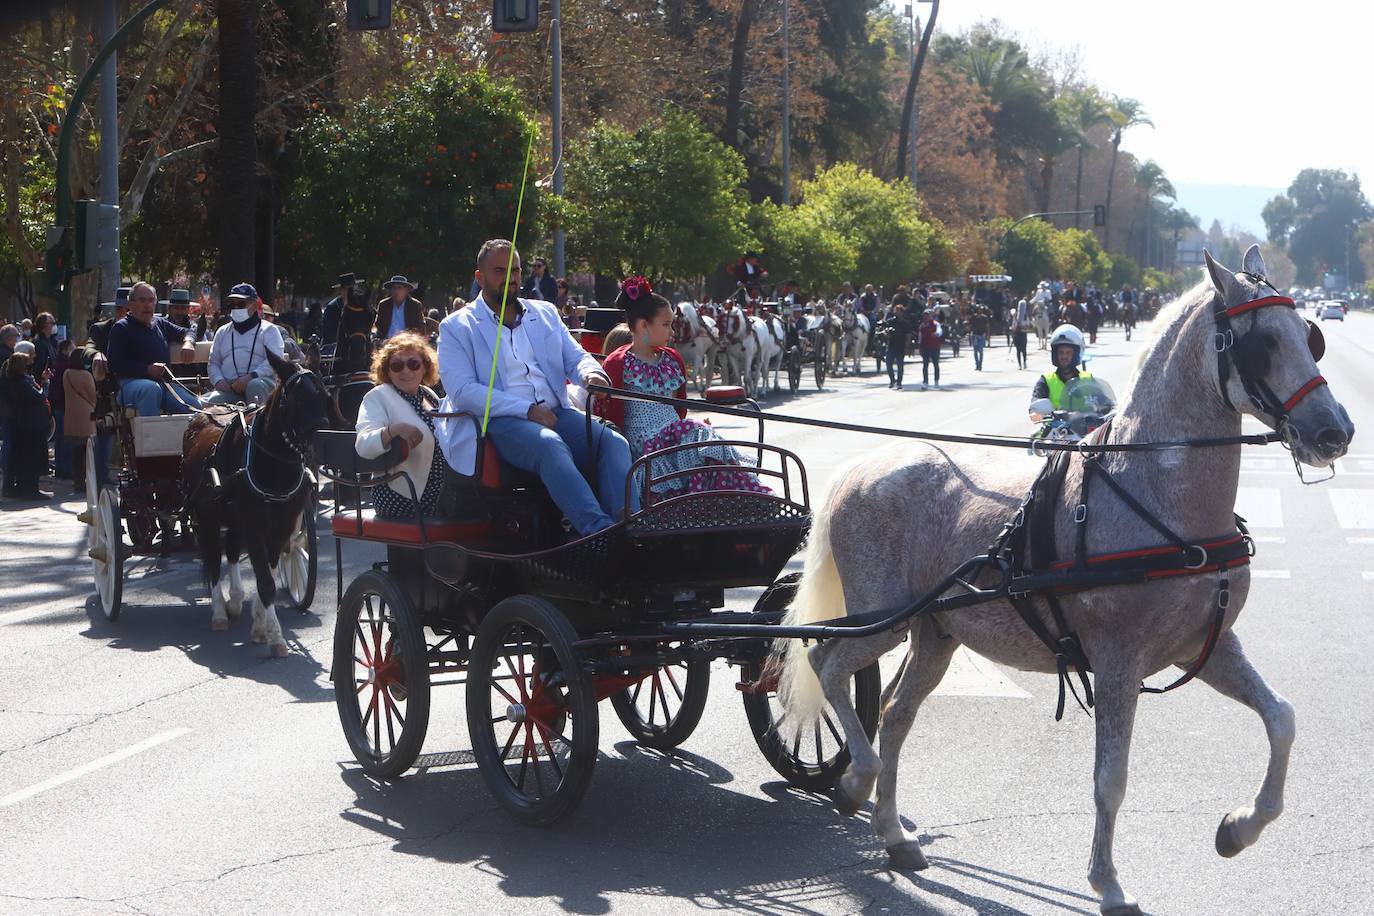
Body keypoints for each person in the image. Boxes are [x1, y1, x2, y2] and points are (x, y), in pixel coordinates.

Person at [435, 238, 636, 535]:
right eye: (500, 271)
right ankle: (599, 532)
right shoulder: (457, 327)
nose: (510, 278)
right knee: (549, 446)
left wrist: (592, 375)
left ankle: (629, 525)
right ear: (480, 277)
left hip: (556, 412)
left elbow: (575, 356)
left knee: (614, 442)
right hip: (500, 421)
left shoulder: (543, 313)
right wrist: (526, 410)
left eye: (515, 270)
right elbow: (463, 392)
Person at [597, 278, 767, 501]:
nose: (672, 331)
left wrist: (682, 429)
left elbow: (680, 407)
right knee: (698, 435)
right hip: (643, 443)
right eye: (666, 324)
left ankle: (739, 500)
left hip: (675, 435)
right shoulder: (617, 362)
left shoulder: (672, 359)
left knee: (702, 441)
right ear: (643, 325)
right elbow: (608, 416)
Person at [354, 332, 446, 520]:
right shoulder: (378, 397)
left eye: (413, 364)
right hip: (402, 494)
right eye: (397, 365)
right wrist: (393, 430)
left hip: (441, 491)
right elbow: (364, 444)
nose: (406, 371)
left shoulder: (428, 395)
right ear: (387, 371)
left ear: (424, 367)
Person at [106, 281, 198, 416]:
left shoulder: (159, 323)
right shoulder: (121, 328)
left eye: (151, 300)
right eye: (142, 300)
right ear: (130, 304)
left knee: (195, 407)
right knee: (150, 390)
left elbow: (188, 332)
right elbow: (114, 364)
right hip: (130, 384)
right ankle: (149, 436)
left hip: (164, 385)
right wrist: (146, 369)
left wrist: (188, 343)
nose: (147, 305)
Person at [205, 283, 286, 407]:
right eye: (232, 305)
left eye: (241, 304)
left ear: (253, 306)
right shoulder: (222, 332)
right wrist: (218, 381)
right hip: (230, 387)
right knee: (214, 400)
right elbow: (213, 363)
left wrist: (250, 377)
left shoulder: (269, 330)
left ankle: (259, 425)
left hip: (261, 383)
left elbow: (274, 361)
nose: (236, 308)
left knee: (254, 386)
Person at [2, 352, 50, 500]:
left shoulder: (14, 381)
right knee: (32, 458)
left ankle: (23, 487)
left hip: (26, 423)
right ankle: (31, 489)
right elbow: (39, 396)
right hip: (32, 424)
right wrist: (46, 385)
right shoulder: (22, 382)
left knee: (25, 457)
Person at [1029, 323, 1092, 420]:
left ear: (1076, 354)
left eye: (1068, 352)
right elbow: (1035, 404)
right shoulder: (1046, 380)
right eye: (1061, 352)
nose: (1064, 356)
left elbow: (1104, 403)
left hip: (1084, 430)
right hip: (1054, 431)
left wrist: (1104, 409)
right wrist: (1037, 414)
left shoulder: (1087, 379)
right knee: (1035, 435)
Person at [374, 275, 435, 340]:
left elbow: (420, 328)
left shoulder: (415, 305)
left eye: (399, 288)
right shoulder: (383, 305)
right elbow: (378, 326)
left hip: (407, 343)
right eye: (394, 288)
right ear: (391, 290)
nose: (396, 291)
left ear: (406, 290)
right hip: (387, 343)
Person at [882, 301, 919, 389]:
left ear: (902, 312)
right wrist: (885, 334)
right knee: (888, 364)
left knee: (900, 366)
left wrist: (907, 346)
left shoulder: (905, 323)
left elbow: (908, 335)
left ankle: (899, 382)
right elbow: (885, 330)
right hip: (891, 345)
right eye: (896, 310)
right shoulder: (890, 321)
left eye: (898, 310)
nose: (896, 312)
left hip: (901, 346)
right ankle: (892, 380)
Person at [918, 308, 943, 390]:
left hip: (934, 347)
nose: (925, 317)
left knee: (936, 365)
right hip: (925, 348)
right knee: (925, 365)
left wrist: (937, 334)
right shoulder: (922, 325)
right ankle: (925, 382)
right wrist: (920, 347)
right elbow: (920, 337)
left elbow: (940, 331)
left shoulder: (936, 324)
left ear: (930, 316)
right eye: (924, 315)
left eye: (927, 315)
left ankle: (936, 381)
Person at [30, 312, 58, 382]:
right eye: (52, 323)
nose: (54, 326)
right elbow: (39, 365)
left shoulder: (51, 341)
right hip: (43, 380)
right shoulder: (39, 343)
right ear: (44, 325)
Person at [968, 304, 991, 371]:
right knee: (975, 351)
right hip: (974, 335)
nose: (979, 311)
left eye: (981, 309)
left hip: (982, 335)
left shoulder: (984, 317)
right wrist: (970, 333)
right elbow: (970, 326)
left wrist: (988, 335)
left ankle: (980, 365)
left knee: (980, 351)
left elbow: (987, 326)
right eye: (978, 309)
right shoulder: (973, 317)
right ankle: (977, 364)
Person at [1012, 298, 1031, 370]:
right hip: (1017, 335)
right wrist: (1016, 326)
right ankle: (1019, 364)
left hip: (1023, 334)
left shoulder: (1026, 316)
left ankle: (1025, 362)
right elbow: (1013, 325)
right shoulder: (1016, 315)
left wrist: (1023, 326)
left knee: (1024, 350)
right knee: (1018, 350)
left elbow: (1028, 325)